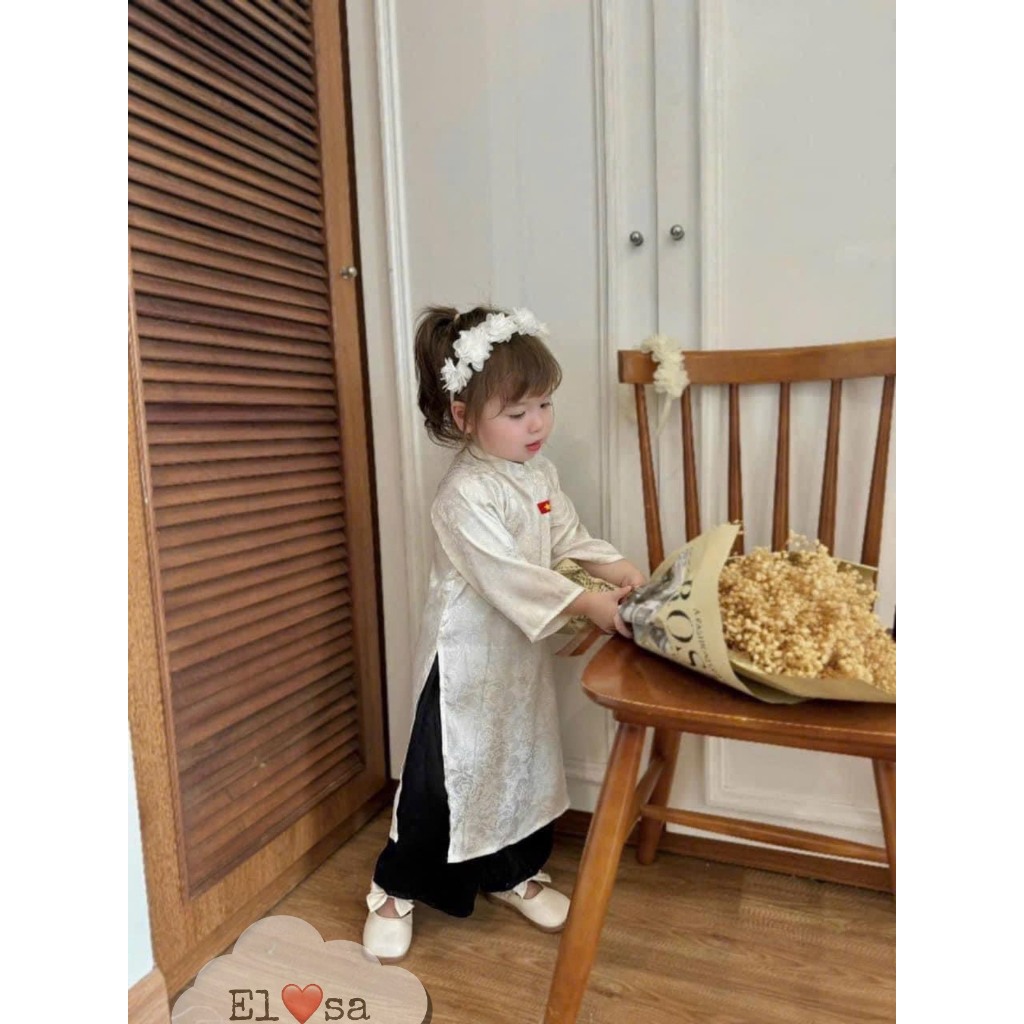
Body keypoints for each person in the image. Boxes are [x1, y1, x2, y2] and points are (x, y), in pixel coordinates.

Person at [362, 304, 645, 962]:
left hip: (516, 655)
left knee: (519, 760)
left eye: (543, 405)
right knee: (443, 775)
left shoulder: (538, 473)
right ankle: (396, 888)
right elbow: (507, 574)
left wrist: (615, 567)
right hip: (463, 662)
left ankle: (510, 870)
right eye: (517, 413)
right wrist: (591, 604)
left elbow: (566, 535)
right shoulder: (462, 495)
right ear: (464, 416)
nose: (537, 423)